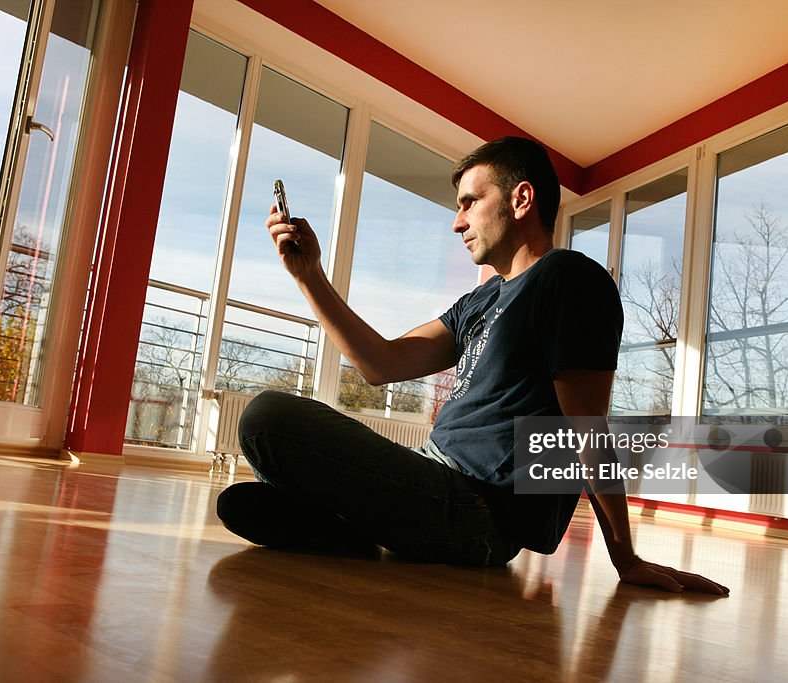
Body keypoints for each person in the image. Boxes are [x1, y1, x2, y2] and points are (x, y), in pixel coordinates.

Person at [217, 136, 728, 594]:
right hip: (428, 474)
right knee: (242, 494)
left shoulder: (568, 279)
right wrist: (310, 275)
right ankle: (359, 529)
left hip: (477, 510)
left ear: (520, 199)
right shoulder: (478, 302)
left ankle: (357, 524)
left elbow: (586, 431)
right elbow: (381, 362)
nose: (458, 221)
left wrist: (625, 557)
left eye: (469, 202)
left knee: (267, 418)